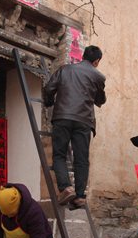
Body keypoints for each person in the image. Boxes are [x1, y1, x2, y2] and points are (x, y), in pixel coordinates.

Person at [43, 45, 106, 210]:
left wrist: (49, 102)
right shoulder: (98, 76)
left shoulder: (65, 69)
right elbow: (101, 100)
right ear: (97, 61)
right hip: (84, 120)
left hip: (62, 116)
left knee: (59, 155)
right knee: (81, 159)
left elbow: (49, 88)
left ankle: (65, 188)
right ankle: (79, 196)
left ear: (83, 56)